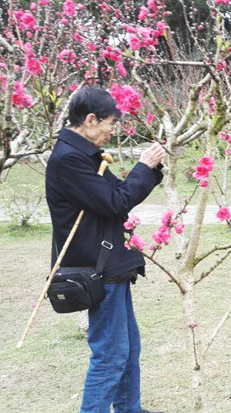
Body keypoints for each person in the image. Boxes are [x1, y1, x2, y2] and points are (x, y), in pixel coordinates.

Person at [46, 87, 166, 413]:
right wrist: (143, 165)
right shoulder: (69, 159)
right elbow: (116, 202)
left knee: (127, 350)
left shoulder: (84, 154)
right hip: (97, 268)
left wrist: (149, 170)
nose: (112, 131)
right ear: (90, 119)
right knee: (110, 354)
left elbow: (117, 193)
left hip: (111, 264)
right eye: (109, 123)